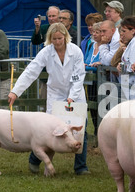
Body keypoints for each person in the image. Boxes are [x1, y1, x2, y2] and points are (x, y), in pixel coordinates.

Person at [8, 23, 89, 175]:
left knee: (80, 129)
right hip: (55, 94)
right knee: (50, 131)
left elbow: (79, 77)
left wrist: (72, 96)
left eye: (60, 38)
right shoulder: (46, 52)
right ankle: (35, 159)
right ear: (49, 39)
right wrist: (15, 92)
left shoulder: (76, 51)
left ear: (65, 37)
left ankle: (81, 167)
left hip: (76, 95)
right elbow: (31, 71)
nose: (57, 42)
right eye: (54, 39)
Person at [116, 16, 135, 100]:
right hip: (130, 86)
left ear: (132, 31)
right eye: (121, 31)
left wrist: (123, 67)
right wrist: (121, 65)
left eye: (124, 31)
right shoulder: (132, 42)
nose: (121, 34)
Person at [84, 22, 103, 135]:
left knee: (99, 105)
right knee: (91, 106)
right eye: (94, 32)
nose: (94, 34)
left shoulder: (106, 47)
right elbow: (86, 60)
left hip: (100, 80)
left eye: (98, 32)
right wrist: (86, 65)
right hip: (89, 80)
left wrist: (96, 66)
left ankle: (100, 131)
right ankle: (95, 130)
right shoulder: (91, 45)